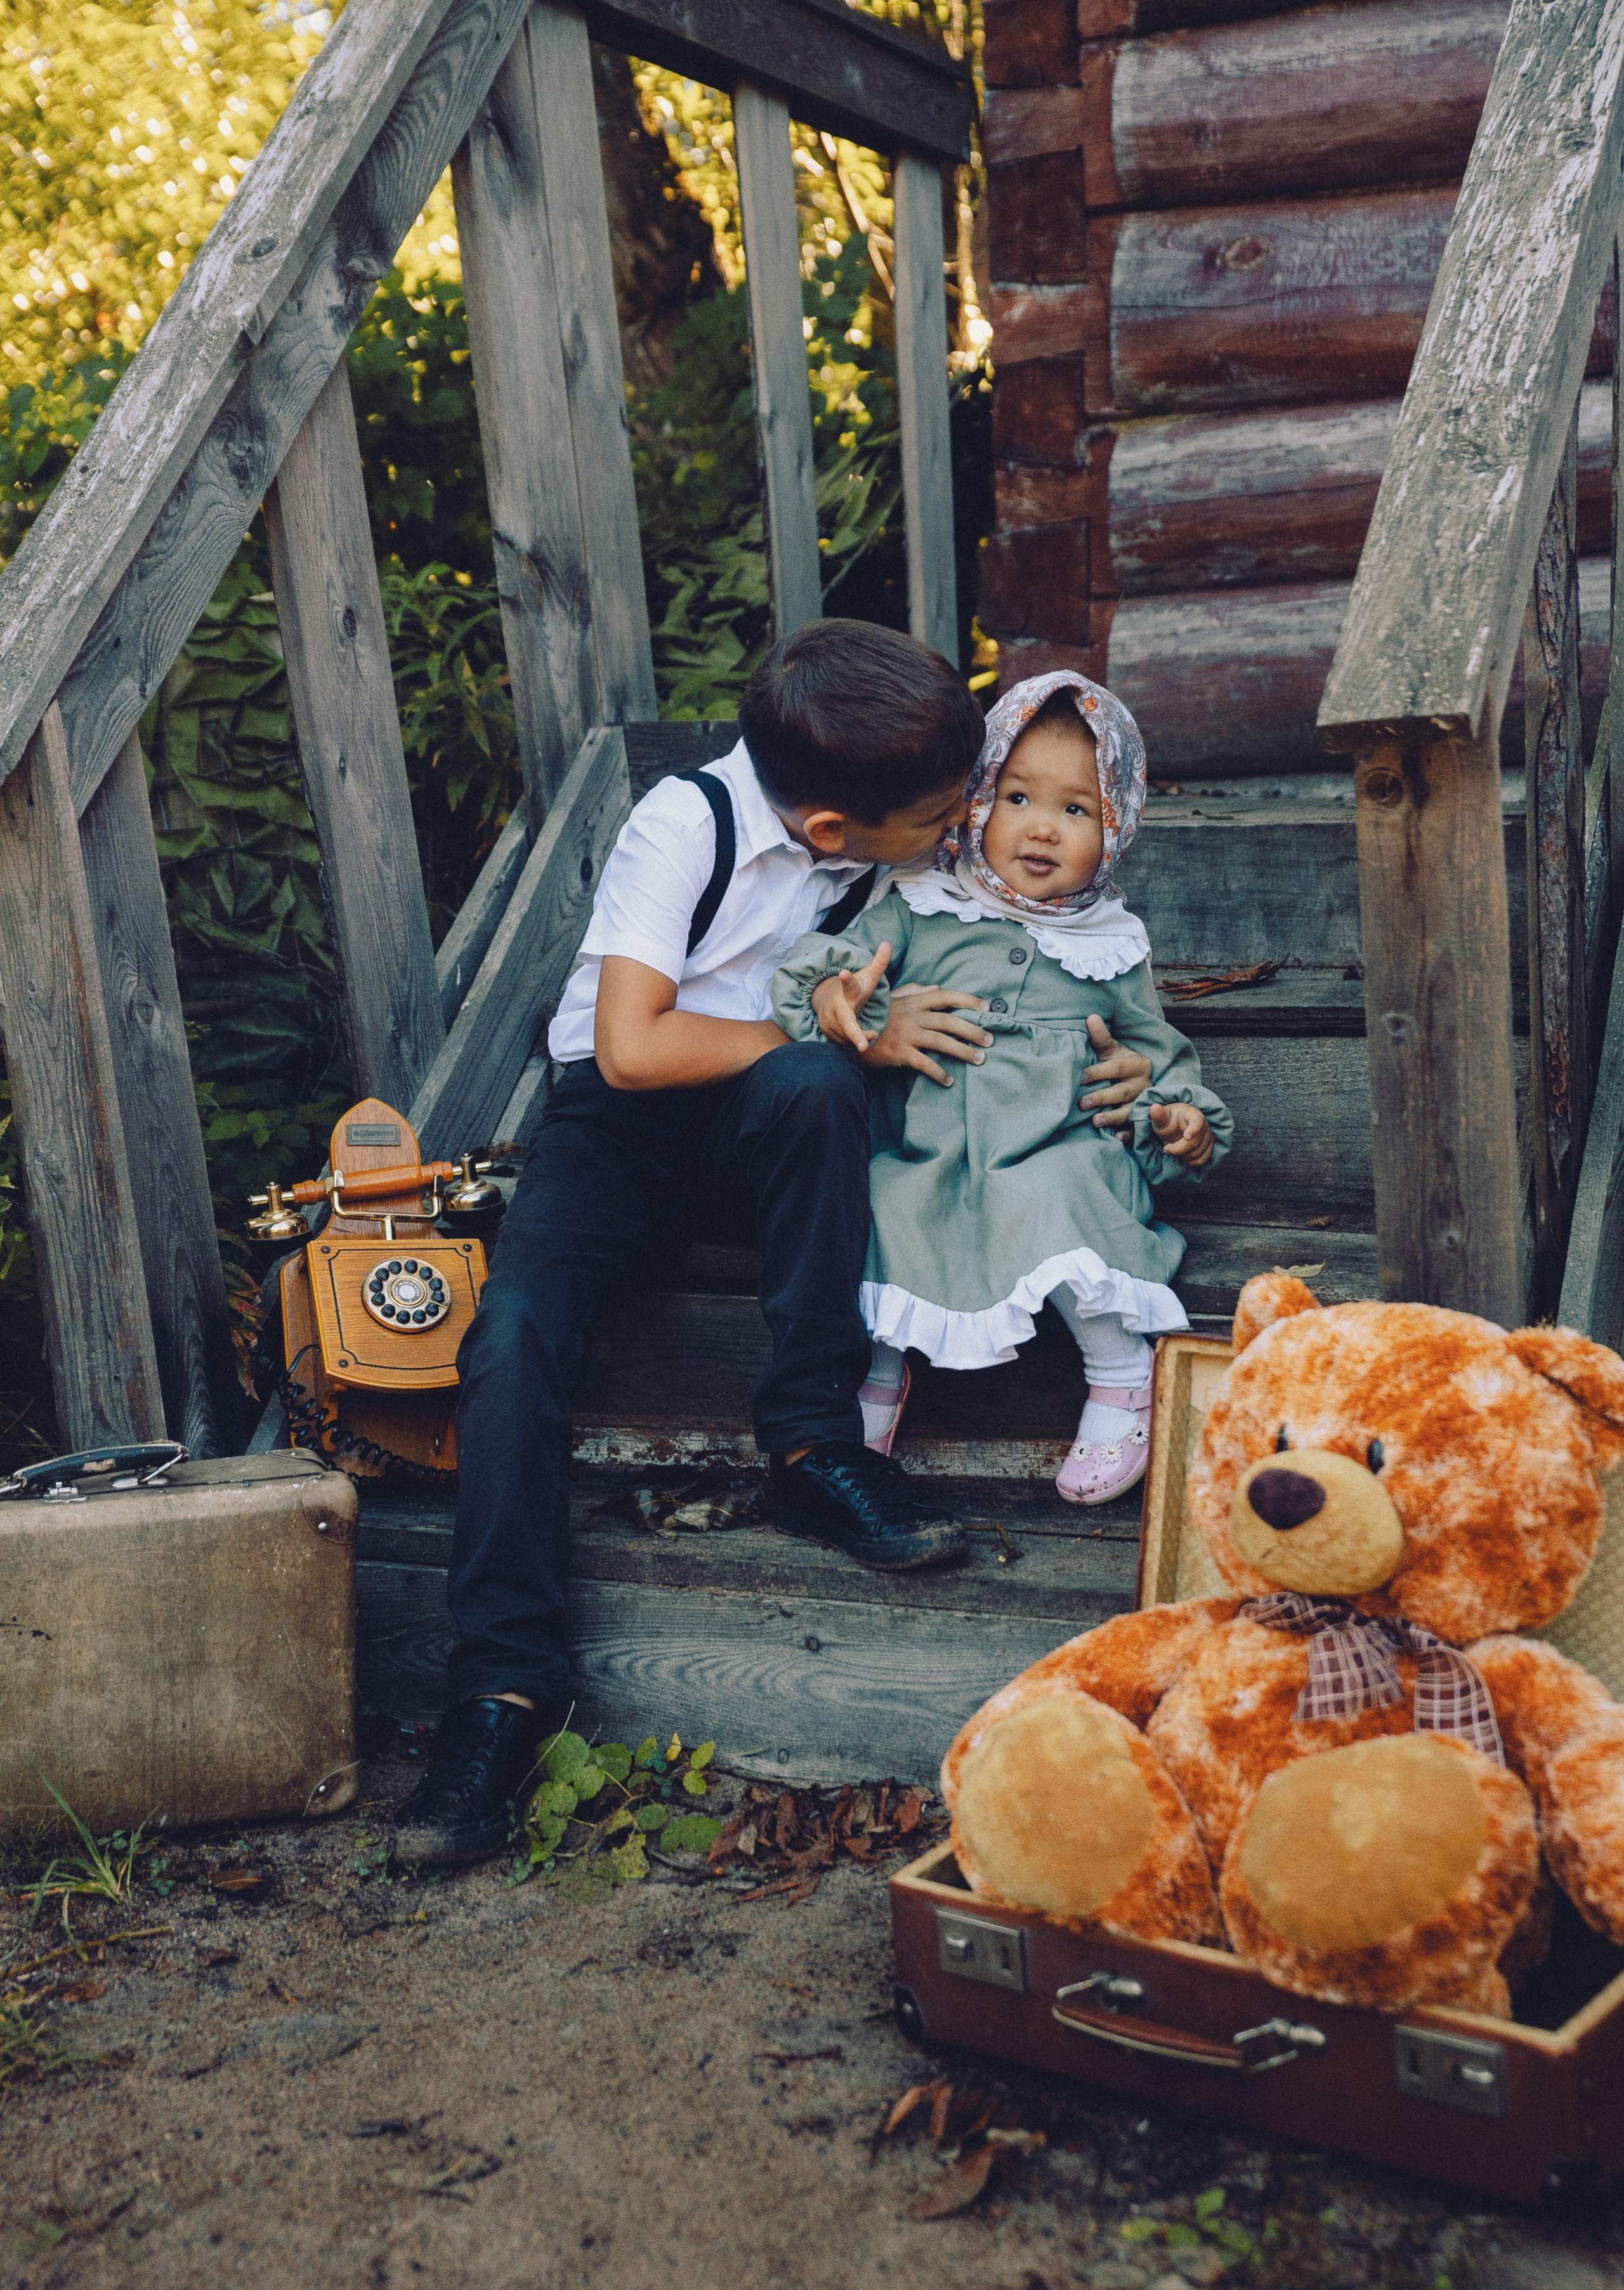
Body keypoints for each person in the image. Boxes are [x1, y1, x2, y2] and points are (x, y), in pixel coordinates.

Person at [396, 622, 1010, 1868]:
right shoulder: (687, 822)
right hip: (614, 1134)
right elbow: (630, 1048)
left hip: (760, 1125)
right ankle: (503, 1688)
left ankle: (812, 1444)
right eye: (940, 814)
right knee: (510, 1338)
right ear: (830, 826)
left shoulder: (877, 843)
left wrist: (859, 1018)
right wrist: (835, 1035)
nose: (963, 822)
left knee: (819, 1094)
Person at [770, 669, 1231, 1507]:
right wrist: (840, 998)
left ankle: (1121, 1372)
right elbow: (835, 970)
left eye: (1078, 809)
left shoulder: (1110, 945)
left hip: (1057, 1144)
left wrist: (1177, 1116)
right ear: (978, 799)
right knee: (879, 1206)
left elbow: (1154, 1055)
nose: (1042, 827)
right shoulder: (920, 903)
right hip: (927, 1146)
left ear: (1117, 826)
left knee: (1061, 1193)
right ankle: (875, 1376)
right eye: (1017, 797)